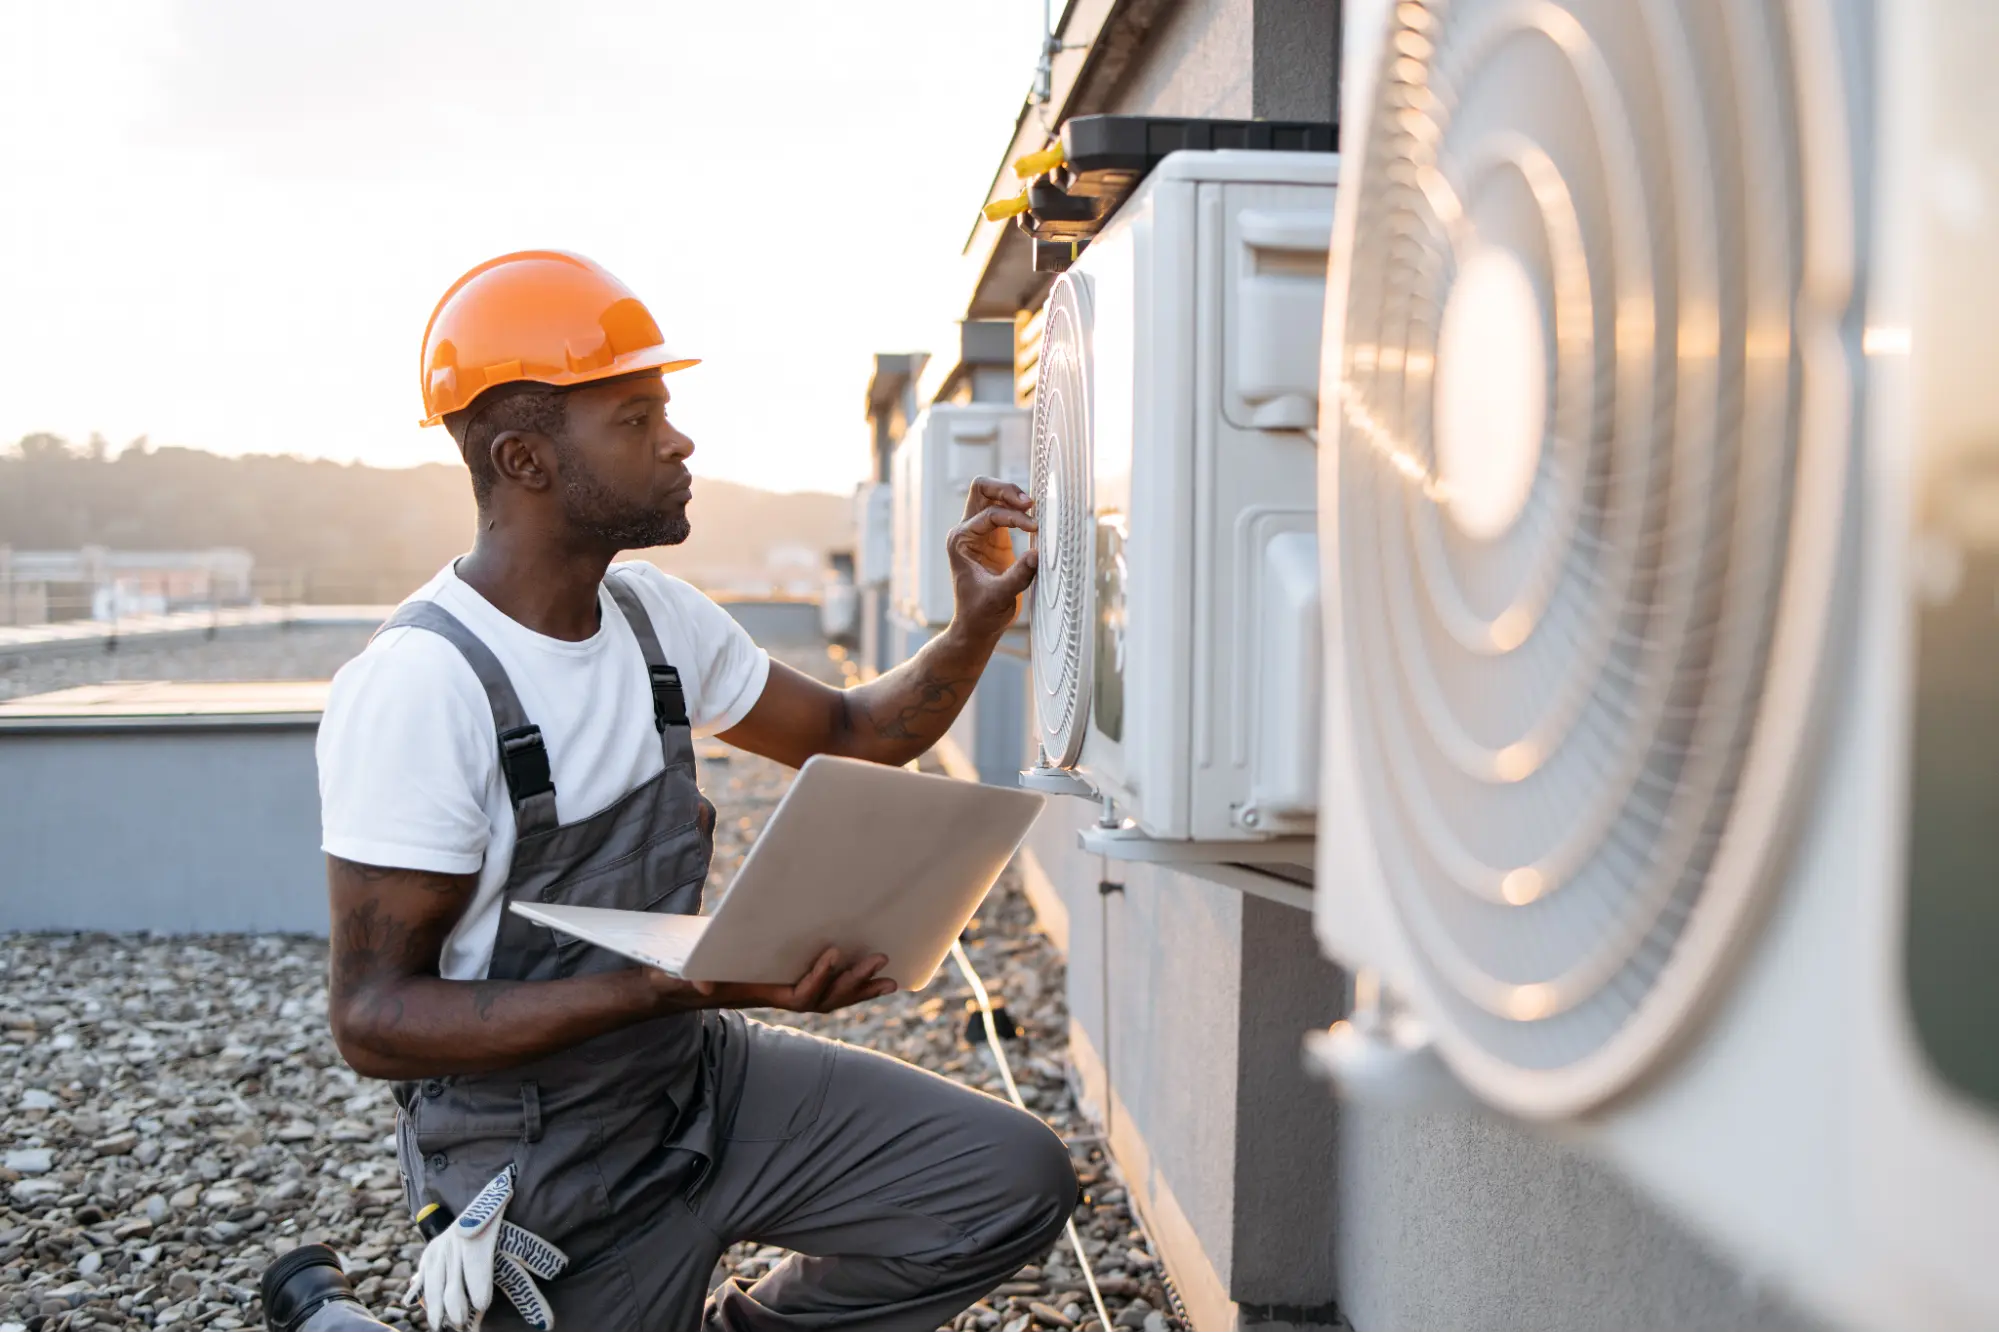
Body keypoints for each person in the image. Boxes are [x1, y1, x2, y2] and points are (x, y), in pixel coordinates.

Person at [315, 250, 1076, 1332]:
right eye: (634, 417)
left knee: (1003, 1179)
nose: (677, 439)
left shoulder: (654, 621)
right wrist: (681, 983)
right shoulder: (420, 688)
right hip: (547, 1153)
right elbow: (375, 1019)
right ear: (523, 457)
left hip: (695, 1079)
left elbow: (858, 733)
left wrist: (974, 625)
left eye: (663, 409)